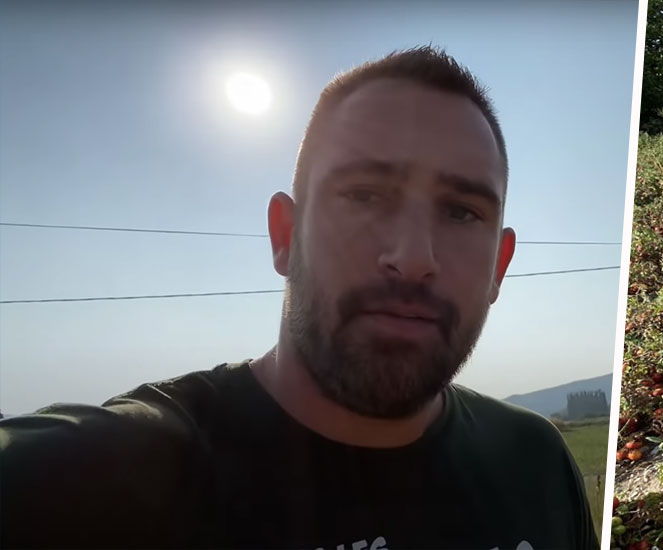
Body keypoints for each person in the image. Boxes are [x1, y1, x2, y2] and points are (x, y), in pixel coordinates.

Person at [0, 46, 599, 550]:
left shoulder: (537, 464)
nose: (414, 256)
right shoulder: (92, 480)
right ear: (285, 236)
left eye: (462, 211)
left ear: (499, 267)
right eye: (364, 195)